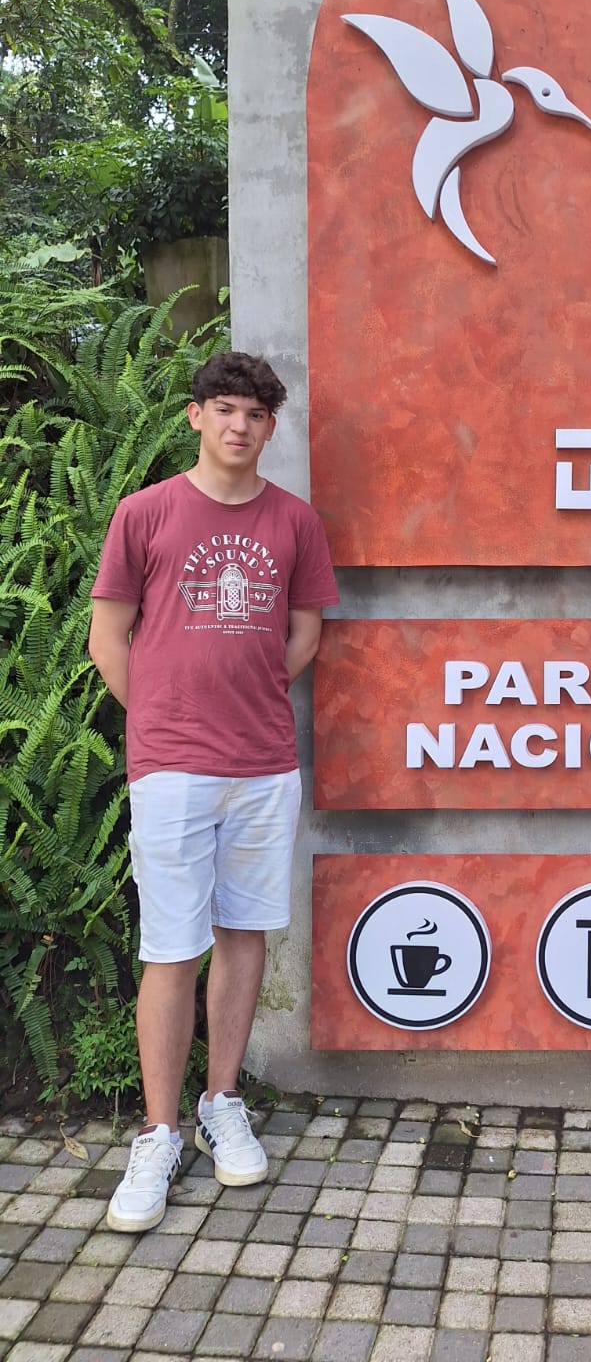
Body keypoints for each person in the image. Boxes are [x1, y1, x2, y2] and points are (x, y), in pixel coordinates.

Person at [89, 352, 339, 1233]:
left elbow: (304, 631)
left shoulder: (295, 522)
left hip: (265, 764)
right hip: (173, 768)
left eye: (256, 414)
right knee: (171, 944)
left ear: (272, 428)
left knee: (242, 933)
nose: (240, 425)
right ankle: (157, 1133)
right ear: (197, 417)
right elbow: (107, 638)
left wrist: (247, 701)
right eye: (225, 409)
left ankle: (219, 1102)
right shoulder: (144, 512)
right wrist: (164, 719)